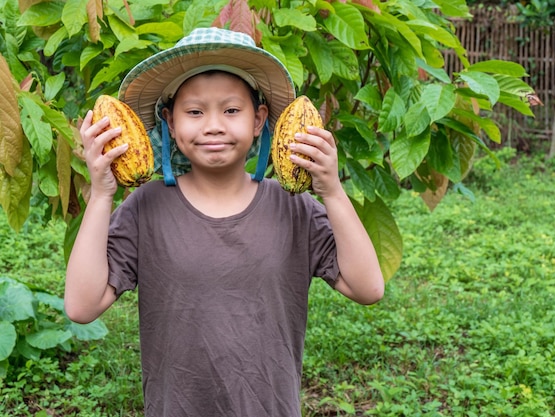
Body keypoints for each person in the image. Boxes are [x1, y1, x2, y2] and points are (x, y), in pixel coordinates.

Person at [64, 27, 384, 417]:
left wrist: (331, 190)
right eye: (194, 112)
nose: (213, 125)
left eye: (231, 110)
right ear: (169, 122)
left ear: (258, 119)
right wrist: (101, 194)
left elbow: (368, 288)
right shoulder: (146, 208)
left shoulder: (293, 208)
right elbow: (82, 307)